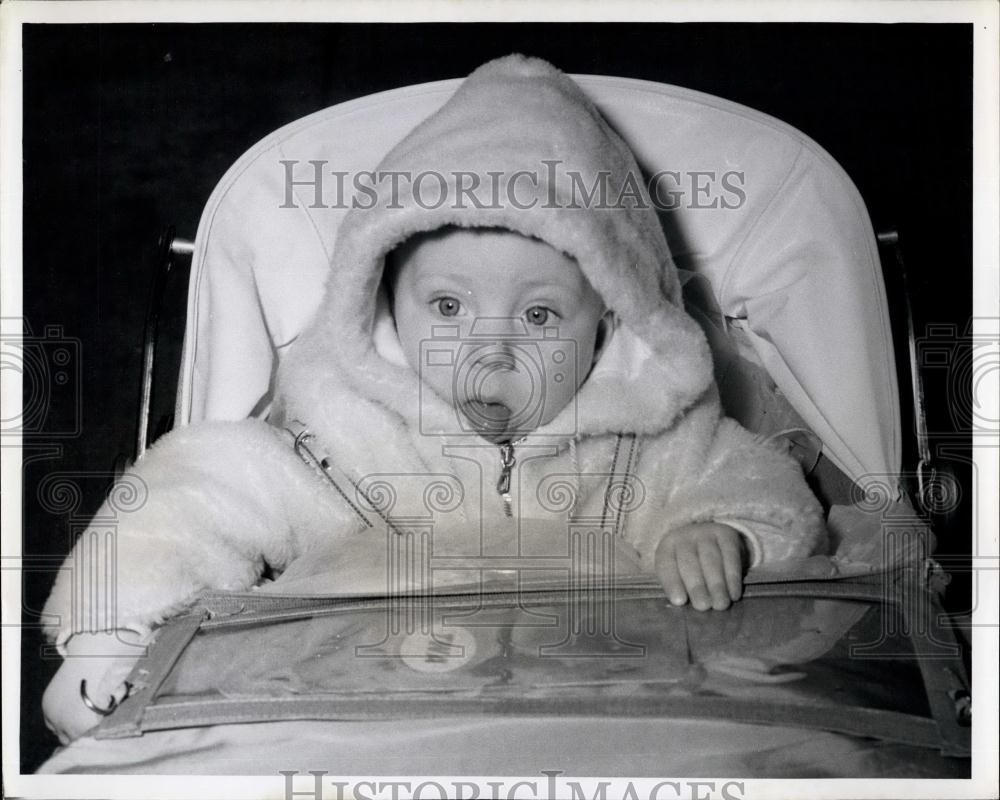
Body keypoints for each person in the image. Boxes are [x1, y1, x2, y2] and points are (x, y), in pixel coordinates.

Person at [40, 54, 825, 744]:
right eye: (447, 307)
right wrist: (114, 627)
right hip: (368, 721)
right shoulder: (348, 433)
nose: (489, 352)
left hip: (608, 717)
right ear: (384, 304)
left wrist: (724, 533)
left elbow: (760, 487)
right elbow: (204, 488)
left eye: (540, 315)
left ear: (611, 321)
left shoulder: (651, 437)